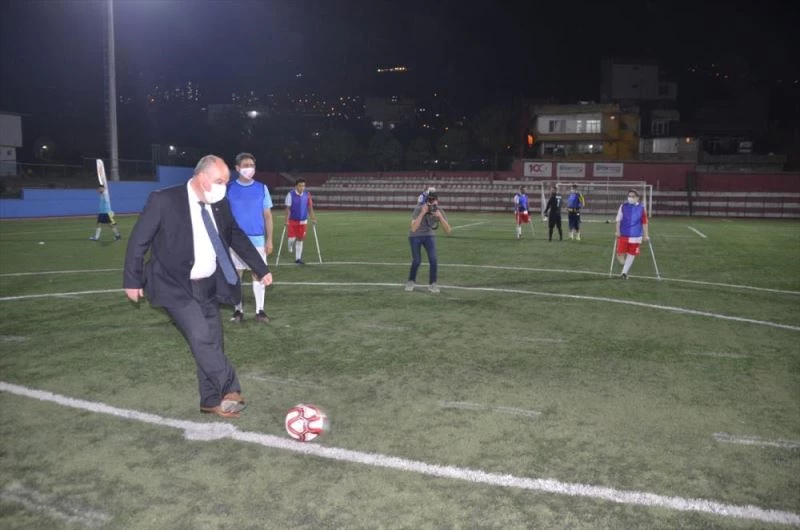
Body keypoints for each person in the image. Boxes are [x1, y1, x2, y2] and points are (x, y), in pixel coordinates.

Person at [123, 155, 273, 419]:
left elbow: (235, 235)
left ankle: (210, 400)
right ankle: (230, 388)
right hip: (173, 284)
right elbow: (139, 240)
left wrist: (261, 268)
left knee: (213, 341)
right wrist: (132, 280)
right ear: (202, 178)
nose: (224, 186)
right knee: (201, 336)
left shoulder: (219, 203)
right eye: (220, 181)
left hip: (208, 285)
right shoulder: (164, 200)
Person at [226, 152, 274, 324]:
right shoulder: (228, 188)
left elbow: (267, 215)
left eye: (252, 165)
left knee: (258, 273)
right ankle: (238, 310)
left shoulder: (262, 188)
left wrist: (269, 239)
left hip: (257, 240)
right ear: (237, 168)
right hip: (234, 240)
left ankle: (260, 310)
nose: (249, 168)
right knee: (235, 275)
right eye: (245, 165)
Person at [405, 191, 452, 293]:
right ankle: (411, 281)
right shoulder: (418, 209)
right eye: (430, 200)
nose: (432, 203)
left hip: (429, 235)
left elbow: (448, 231)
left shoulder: (439, 210)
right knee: (416, 260)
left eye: (434, 200)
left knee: (433, 259)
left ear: (437, 201)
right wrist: (422, 213)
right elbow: (413, 228)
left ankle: (433, 284)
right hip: (415, 236)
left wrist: (440, 217)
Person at [615, 189, 650, 279]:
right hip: (624, 235)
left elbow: (644, 222)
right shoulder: (623, 206)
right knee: (619, 254)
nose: (630, 198)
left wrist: (646, 235)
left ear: (637, 198)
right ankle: (624, 265)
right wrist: (618, 231)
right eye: (629, 196)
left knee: (631, 254)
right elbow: (618, 220)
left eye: (632, 196)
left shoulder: (641, 208)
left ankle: (624, 273)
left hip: (636, 236)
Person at [284, 178, 317, 265]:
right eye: (300, 186)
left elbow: (310, 207)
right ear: (296, 186)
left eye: (303, 186)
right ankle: (290, 246)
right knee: (291, 239)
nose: (302, 187)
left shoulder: (307, 194)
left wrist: (313, 218)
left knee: (300, 239)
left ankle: (298, 259)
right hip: (292, 220)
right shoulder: (290, 194)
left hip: (303, 221)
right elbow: (288, 209)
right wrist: (286, 220)